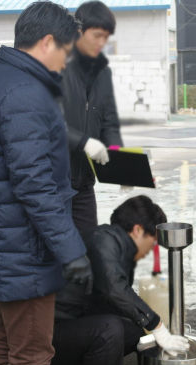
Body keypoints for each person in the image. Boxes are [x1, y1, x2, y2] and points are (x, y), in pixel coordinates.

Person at [0, 3, 93, 365]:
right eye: (66, 52)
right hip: (24, 254)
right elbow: (35, 185)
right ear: (48, 42)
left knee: (7, 344)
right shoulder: (26, 94)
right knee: (33, 356)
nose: (66, 63)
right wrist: (71, 251)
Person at [50, 196, 189, 365]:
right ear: (138, 230)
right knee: (110, 330)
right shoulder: (103, 240)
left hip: (74, 326)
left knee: (135, 333)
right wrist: (157, 325)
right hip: (51, 334)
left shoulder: (119, 248)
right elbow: (114, 288)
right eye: (151, 241)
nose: (150, 249)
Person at [62, 0, 123, 236]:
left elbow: (109, 121)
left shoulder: (102, 73)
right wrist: (84, 142)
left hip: (84, 183)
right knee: (56, 254)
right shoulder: (57, 68)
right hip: (55, 182)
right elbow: (49, 121)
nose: (102, 43)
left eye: (105, 37)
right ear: (79, 31)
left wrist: (119, 161)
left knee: (88, 247)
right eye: (97, 35)